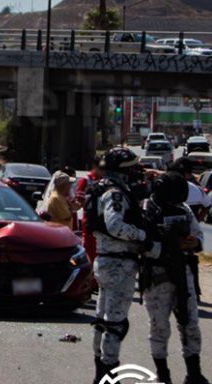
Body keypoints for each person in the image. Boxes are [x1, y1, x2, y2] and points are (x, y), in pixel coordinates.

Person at [86, 147, 156, 382]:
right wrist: (141, 235)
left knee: (103, 320)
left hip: (107, 260)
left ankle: (100, 371)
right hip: (119, 263)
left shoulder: (101, 187)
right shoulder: (115, 193)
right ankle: (108, 373)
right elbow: (115, 225)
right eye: (132, 168)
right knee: (114, 324)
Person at [141, 171, 209, 384]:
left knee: (190, 324)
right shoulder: (146, 209)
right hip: (157, 275)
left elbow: (198, 234)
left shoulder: (184, 209)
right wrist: (168, 246)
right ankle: (163, 375)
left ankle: (194, 374)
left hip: (182, 272)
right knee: (159, 327)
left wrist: (194, 242)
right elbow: (141, 244)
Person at [168, 158, 207, 300]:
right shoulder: (195, 189)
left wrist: (195, 226)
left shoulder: (190, 194)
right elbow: (207, 205)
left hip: (182, 245)